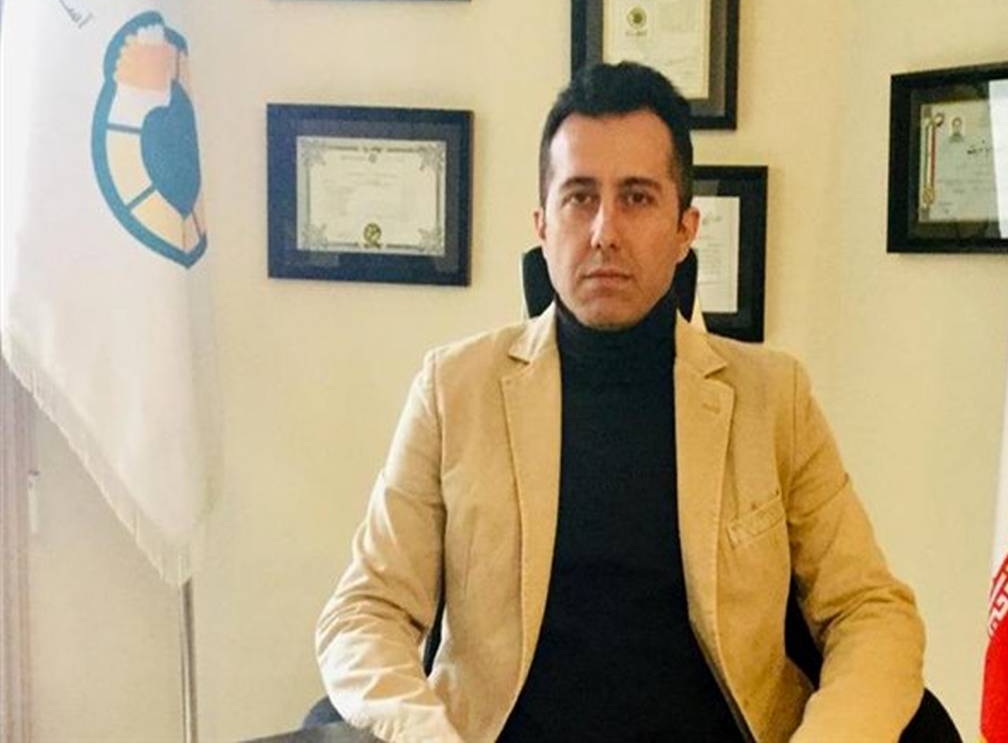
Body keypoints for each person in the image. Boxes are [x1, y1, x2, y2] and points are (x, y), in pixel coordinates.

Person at [315, 62, 925, 743]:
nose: (604, 230)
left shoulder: (773, 397)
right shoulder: (454, 391)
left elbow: (871, 611)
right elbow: (364, 613)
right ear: (543, 224)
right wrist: (426, 735)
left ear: (686, 228)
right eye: (580, 197)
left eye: (636, 197)